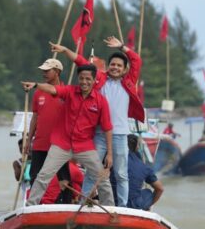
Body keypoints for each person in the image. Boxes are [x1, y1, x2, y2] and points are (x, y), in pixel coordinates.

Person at [51, 36, 143, 207]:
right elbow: (81, 62)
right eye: (113, 65)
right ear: (108, 67)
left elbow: (136, 60)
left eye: (119, 66)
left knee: (121, 174)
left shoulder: (129, 82)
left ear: (124, 69)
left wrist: (122, 47)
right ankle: (84, 202)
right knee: (91, 172)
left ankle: (122, 207)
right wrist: (64, 51)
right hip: (100, 134)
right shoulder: (99, 78)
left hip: (121, 135)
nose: (115, 68)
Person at [22, 63, 115, 207]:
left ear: (94, 79)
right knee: (43, 176)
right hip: (62, 144)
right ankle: (30, 206)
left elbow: (107, 128)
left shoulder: (101, 101)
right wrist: (35, 85)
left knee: (103, 178)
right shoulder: (70, 91)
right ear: (78, 78)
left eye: (88, 79)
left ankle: (111, 209)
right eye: (81, 78)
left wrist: (109, 153)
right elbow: (53, 89)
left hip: (84, 146)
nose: (84, 82)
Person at [25, 58, 66, 187]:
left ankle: (64, 203)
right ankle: (34, 205)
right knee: (35, 177)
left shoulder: (66, 92)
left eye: (47, 71)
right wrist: (28, 139)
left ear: (57, 72)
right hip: (40, 143)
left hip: (59, 145)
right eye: (43, 71)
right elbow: (35, 118)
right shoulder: (38, 93)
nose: (44, 74)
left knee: (63, 180)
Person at [123, 134, 164, 210]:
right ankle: (145, 209)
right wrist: (148, 206)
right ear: (137, 147)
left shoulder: (114, 159)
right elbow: (160, 189)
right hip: (133, 205)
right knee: (148, 192)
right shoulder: (143, 166)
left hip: (115, 200)